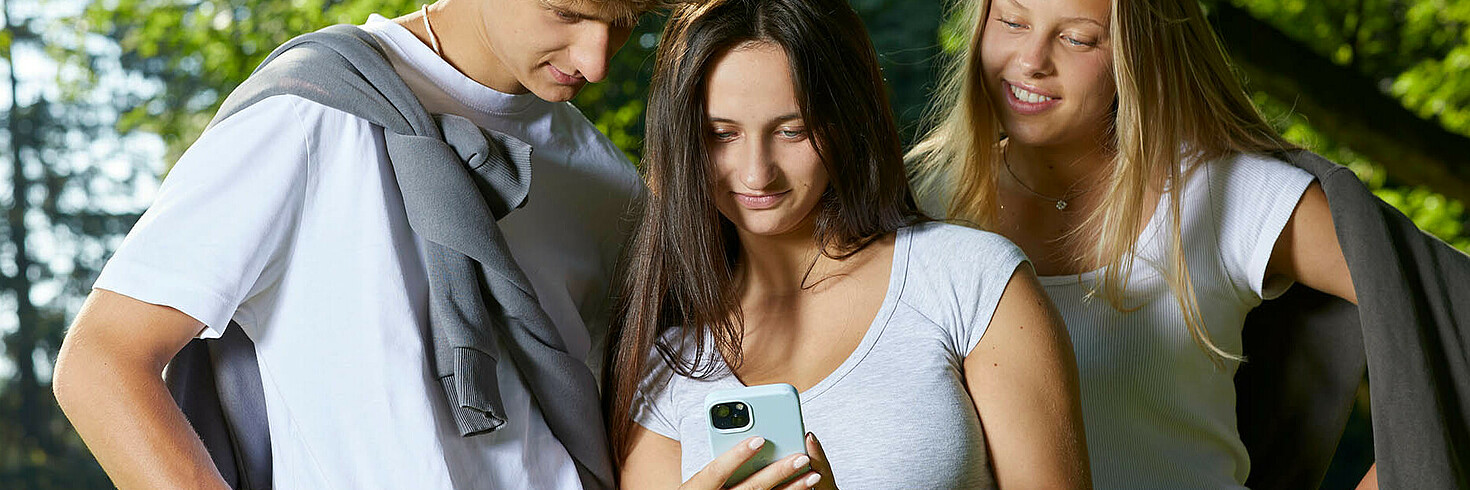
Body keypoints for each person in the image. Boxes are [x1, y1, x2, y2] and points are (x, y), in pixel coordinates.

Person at [52, 0, 660, 487]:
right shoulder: (309, 113)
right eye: (567, 13)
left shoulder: (606, 181)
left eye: (625, 23)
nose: (598, 60)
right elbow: (102, 361)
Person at [910, 0, 1470, 487]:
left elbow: (1453, 305)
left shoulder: (1224, 193)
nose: (1031, 60)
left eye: (1077, 37)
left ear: (1139, 51)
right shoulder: (914, 202)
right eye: (1010, 21)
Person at [601, 0, 1092, 487]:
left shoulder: (971, 282)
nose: (757, 172)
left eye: (793, 131)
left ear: (846, 123)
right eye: (721, 134)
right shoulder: (665, 363)